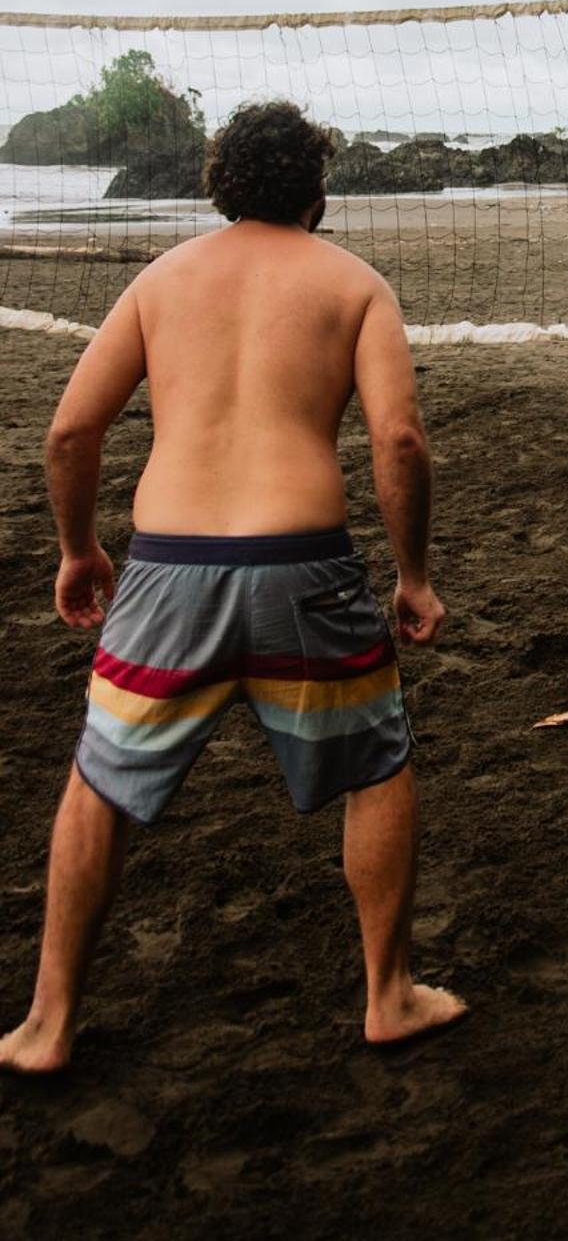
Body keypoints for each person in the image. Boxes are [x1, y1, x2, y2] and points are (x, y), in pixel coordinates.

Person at [0, 101, 464, 1074]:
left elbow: (70, 432)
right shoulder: (353, 283)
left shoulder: (162, 281)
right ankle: (388, 993)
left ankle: (46, 1022)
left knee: (97, 782)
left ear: (219, 186)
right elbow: (401, 439)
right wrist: (413, 572)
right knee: (375, 767)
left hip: (169, 568)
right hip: (303, 566)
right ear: (318, 188)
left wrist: (79, 547)